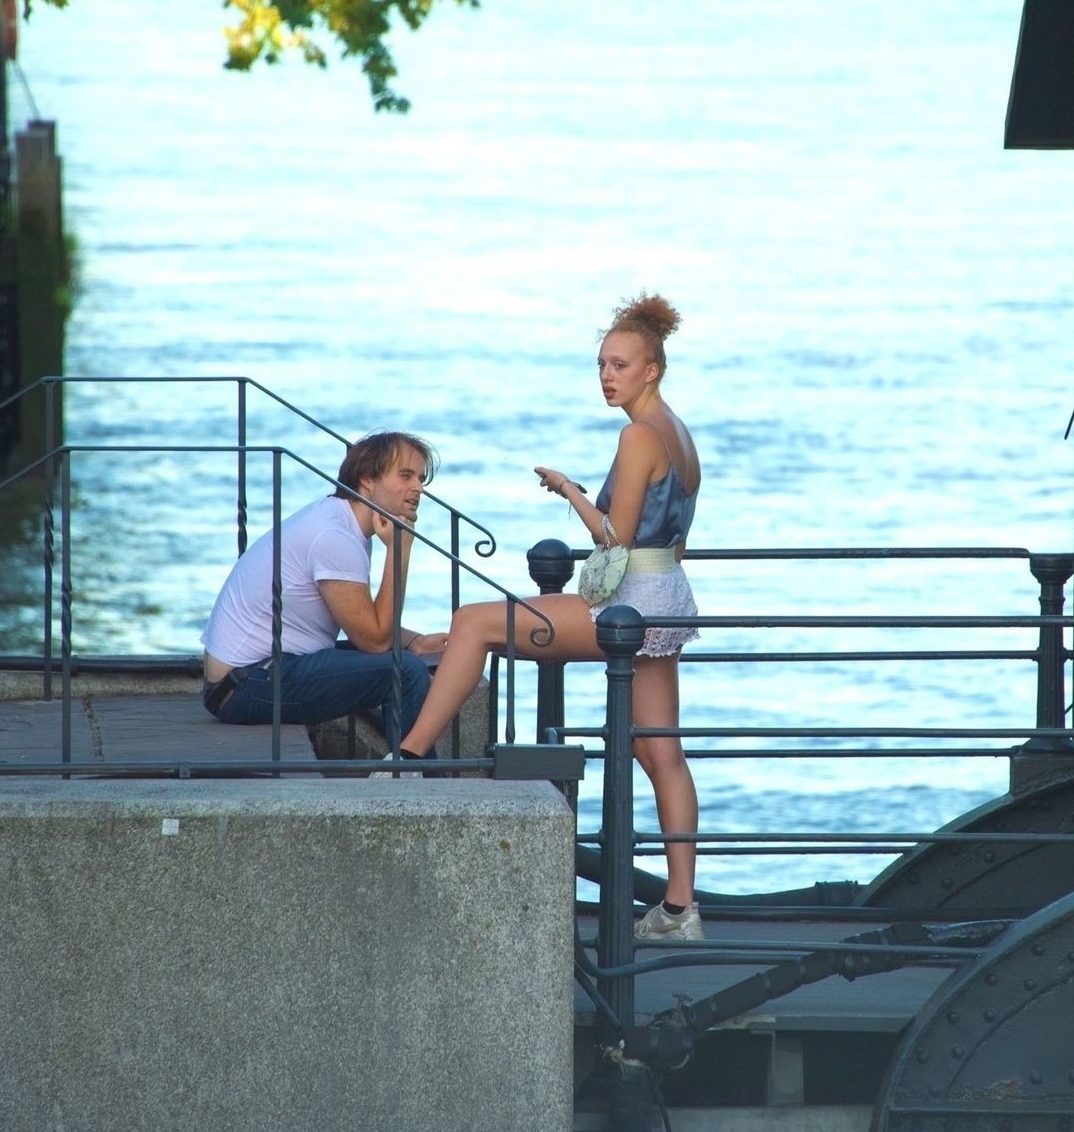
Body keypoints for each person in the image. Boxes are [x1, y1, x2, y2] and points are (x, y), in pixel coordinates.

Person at [394, 295, 705, 939]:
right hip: (668, 596)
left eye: (620, 365)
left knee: (476, 620)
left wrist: (567, 489)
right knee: (661, 753)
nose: (607, 376)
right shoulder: (680, 433)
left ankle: (404, 759)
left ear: (652, 369)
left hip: (629, 603)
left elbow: (613, 536)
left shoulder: (638, 435)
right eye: (601, 365)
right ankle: (681, 909)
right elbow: (676, 540)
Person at [200, 431, 449, 756]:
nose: (418, 488)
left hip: (257, 673)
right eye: (405, 476)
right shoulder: (334, 536)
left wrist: (413, 641)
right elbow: (373, 641)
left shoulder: (342, 522)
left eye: (420, 478)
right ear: (367, 479)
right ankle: (418, 777)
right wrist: (399, 551)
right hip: (245, 686)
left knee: (406, 660)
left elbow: (360, 619)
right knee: (405, 672)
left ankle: (409, 770)